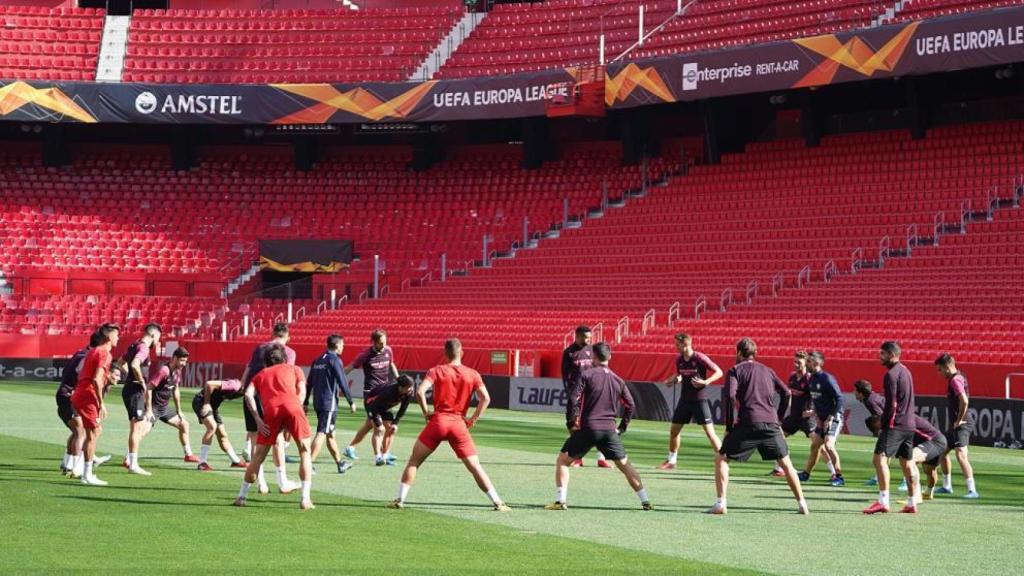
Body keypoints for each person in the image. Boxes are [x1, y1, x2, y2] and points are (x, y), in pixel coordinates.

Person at [388, 339, 510, 512]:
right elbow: (486, 398)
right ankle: (498, 502)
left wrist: (425, 413)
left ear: (445, 353)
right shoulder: (473, 374)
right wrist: (473, 419)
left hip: (438, 422)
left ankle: (400, 499)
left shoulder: (437, 370)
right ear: (462, 352)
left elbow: (420, 391)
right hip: (459, 424)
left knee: (414, 461)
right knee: (475, 467)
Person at [546, 342, 651, 511]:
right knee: (625, 465)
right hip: (609, 430)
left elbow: (574, 398)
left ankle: (560, 501)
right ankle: (645, 500)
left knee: (563, 461)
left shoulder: (587, 375)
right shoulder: (618, 380)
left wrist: (572, 421)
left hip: (588, 428)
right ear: (609, 357)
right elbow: (630, 405)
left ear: (593, 357)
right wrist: (622, 427)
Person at [709, 338, 808, 515]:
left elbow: (730, 397)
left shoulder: (735, 370)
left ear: (739, 353)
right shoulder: (767, 370)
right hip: (771, 423)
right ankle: (802, 505)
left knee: (721, 458)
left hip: (748, 422)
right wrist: (778, 418)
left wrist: (730, 425)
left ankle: (721, 503)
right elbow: (786, 393)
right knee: (786, 463)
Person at [234, 345, 315, 510]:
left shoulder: (261, 374)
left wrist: (257, 418)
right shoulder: (295, 369)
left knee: (258, 457)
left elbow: (248, 394)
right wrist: (295, 407)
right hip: (294, 408)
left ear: (266, 362)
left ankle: (241, 496)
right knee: (305, 452)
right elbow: (302, 391)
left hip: (272, 412)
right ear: (284, 359)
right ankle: (305, 499)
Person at [239, 323, 299, 494]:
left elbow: (248, 369)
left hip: (252, 394)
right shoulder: (290, 352)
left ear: (272, 333)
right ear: (288, 336)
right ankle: (282, 481)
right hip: (271, 398)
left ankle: (261, 482)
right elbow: (286, 374)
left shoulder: (259, 348)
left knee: (254, 438)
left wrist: (243, 385)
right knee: (277, 440)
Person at [864, 341, 917, 515]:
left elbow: (892, 403)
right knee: (907, 464)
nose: (880, 357)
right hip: (909, 425)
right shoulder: (906, 371)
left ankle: (883, 501)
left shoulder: (891, 375)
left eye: (883, 354)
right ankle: (911, 502)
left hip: (896, 424)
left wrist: (885, 422)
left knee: (879, 459)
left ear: (892, 354)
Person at [657, 333, 723, 470]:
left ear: (685, 344)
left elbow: (719, 371)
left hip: (699, 400)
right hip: (684, 400)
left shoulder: (699, 358)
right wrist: (673, 379)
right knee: (674, 430)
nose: (675, 347)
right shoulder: (679, 360)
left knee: (710, 433)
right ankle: (672, 461)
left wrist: (706, 381)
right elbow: (681, 375)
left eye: (677, 344)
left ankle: (724, 459)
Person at [69, 323, 121, 486]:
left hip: (80, 394)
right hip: (88, 396)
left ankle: (80, 468)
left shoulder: (93, 351)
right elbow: (97, 379)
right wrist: (101, 402)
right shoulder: (104, 353)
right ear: (108, 336)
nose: (118, 337)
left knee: (93, 432)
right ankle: (87, 474)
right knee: (94, 433)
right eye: (116, 334)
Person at [56, 332, 110, 478]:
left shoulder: (80, 353)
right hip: (70, 394)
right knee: (81, 432)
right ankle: (76, 466)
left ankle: (68, 463)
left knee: (77, 431)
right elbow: (82, 375)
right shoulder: (88, 356)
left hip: (65, 393)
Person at [344, 329, 400, 460]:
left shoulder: (388, 350)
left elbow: (392, 365)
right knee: (378, 426)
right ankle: (381, 455)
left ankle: (351, 448)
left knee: (371, 424)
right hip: (371, 394)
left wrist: (398, 379)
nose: (383, 345)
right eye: (380, 343)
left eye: (385, 342)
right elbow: (351, 367)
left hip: (385, 393)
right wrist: (338, 377)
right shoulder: (365, 355)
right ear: (373, 342)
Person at [561, 326, 610, 468]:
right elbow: (565, 376)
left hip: (592, 394)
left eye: (590, 337)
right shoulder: (569, 353)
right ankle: (577, 457)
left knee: (597, 424)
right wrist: (571, 394)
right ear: (578, 336)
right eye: (587, 337)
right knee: (573, 425)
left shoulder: (593, 350)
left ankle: (601, 458)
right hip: (576, 395)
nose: (589, 339)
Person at [307, 334, 355, 474]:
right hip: (329, 403)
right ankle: (308, 464)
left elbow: (309, 382)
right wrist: (350, 401)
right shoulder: (335, 360)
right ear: (337, 345)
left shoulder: (317, 360)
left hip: (318, 401)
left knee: (330, 433)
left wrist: (305, 402)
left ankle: (340, 463)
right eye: (342, 345)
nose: (343, 347)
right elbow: (342, 380)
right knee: (322, 432)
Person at [934, 354, 980, 499]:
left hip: (963, 423)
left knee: (961, 454)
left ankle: (972, 491)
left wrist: (959, 420)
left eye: (940, 370)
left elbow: (964, 401)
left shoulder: (955, 380)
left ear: (947, 368)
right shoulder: (960, 376)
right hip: (956, 425)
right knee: (942, 452)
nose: (939, 373)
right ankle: (947, 486)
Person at [121, 322, 162, 476]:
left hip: (131, 390)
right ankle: (133, 464)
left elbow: (120, 363)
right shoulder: (143, 348)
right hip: (135, 392)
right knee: (137, 427)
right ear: (154, 334)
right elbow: (134, 364)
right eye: (159, 337)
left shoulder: (134, 345)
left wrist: (131, 377)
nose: (159, 340)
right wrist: (141, 382)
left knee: (137, 426)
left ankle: (132, 461)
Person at [798, 352, 845, 486]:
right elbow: (818, 400)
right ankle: (806, 474)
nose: (807, 364)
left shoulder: (827, 379)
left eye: (809, 361)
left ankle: (839, 477)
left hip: (834, 417)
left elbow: (839, 399)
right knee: (815, 446)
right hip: (822, 418)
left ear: (817, 363)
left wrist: (830, 417)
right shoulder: (812, 379)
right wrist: (816, 415)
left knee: (829, 445)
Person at [147, 347, 197, 464]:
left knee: (184, 424)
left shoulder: (177, 371)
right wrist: (149, 409)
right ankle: (129, 458)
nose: (184, 364)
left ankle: (188, 455)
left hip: (164, 408)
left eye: (185, 361)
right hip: (154, 407)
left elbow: (176, 390)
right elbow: (149, 388)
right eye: (182, 361)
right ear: (174, 358)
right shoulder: (164, 371)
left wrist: (179, 411)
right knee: (143, 431)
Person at [770, 351, 813, 477]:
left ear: (806, 363)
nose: (796, 365)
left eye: (799, 362)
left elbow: (817, 397)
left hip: (807, 418)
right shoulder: (792, 377)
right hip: (794, 416)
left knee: (819, 444)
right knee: (777, 437)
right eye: (795, 362)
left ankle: (835, 473)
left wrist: (813, 411)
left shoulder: (809, 379)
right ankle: (779, 468)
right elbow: (789, 394)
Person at [192, 378, 248, 471]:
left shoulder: (247, 391)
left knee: (222, 435)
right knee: (212, 427)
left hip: (214, 407)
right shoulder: (235, 386)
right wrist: (206, 404)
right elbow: (209, 384)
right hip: (201, 401)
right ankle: (202, 463)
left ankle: (235, 461)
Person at [365, 374, 414, 466]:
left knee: (391, 430)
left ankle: (385, 456)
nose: (411, 389)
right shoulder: (389, 392)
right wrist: (378, 423)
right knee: (379, 430)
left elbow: (403, 409)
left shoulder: (409, 393)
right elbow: (374, 407)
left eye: (411, 387)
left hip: (385, 406)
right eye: (408, 387)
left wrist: (395, 423)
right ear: (401, 387)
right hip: (372, 404)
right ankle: (378, 457)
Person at [910, 414, 948, 507]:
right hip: (925, 443)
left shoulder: (906, 419)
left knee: (913, 461)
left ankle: (917, 496)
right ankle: (928, 493)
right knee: (928, 470)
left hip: (935, 441)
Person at [853, 379, 885, 486]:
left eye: (855, 391)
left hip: (896, 427)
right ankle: (877, 477)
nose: (854, 393)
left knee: (901, 455)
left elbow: (881, 417)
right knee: (883, 455)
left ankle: (905, 481)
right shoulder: (869, 398)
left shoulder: (870, 401)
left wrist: (878, 430)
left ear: (861, 392)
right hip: (891, 427)